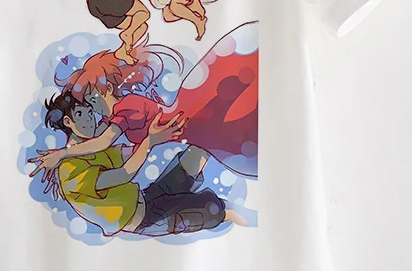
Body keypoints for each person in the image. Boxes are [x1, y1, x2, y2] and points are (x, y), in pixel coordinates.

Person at [31, 23, 260, 182]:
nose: (93, 108)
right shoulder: (118, 114)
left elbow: (103, 141)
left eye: (92, 98)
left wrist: (62, 154)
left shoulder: (127, 107)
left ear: (107, 88)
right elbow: (98, 137)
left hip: (196, 118)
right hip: (199, 131)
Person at [32, 91, 245, 237]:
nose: (90, 118)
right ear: (67, 122)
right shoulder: (69, 170)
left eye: (89, 111)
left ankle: (229, 121)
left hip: (147, 197)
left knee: (195, 153)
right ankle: (250, 220)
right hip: (145, 219)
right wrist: (149, 141)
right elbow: (124, 174)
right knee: (215, 209)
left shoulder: (92, 148)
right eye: (80, 114)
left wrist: (155, 134)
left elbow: (129, 153)